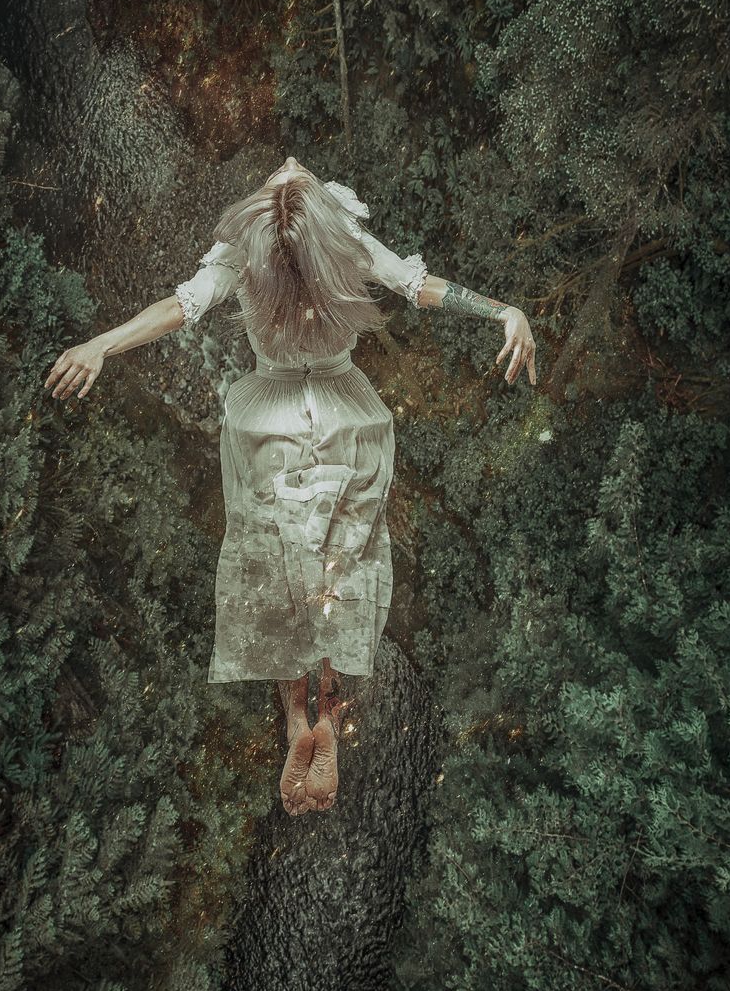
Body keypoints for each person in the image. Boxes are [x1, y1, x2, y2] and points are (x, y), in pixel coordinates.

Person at [43, 157, 538, 817]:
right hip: (336, 417)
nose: (289, 165)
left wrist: (102, 344)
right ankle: (319, 715)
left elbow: (180, 308)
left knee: (290, 574)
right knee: (325, 570)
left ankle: (301, 719)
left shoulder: (267, 249)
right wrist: (503, 311)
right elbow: (416, 286)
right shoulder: (326, 242)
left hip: (280, 423)